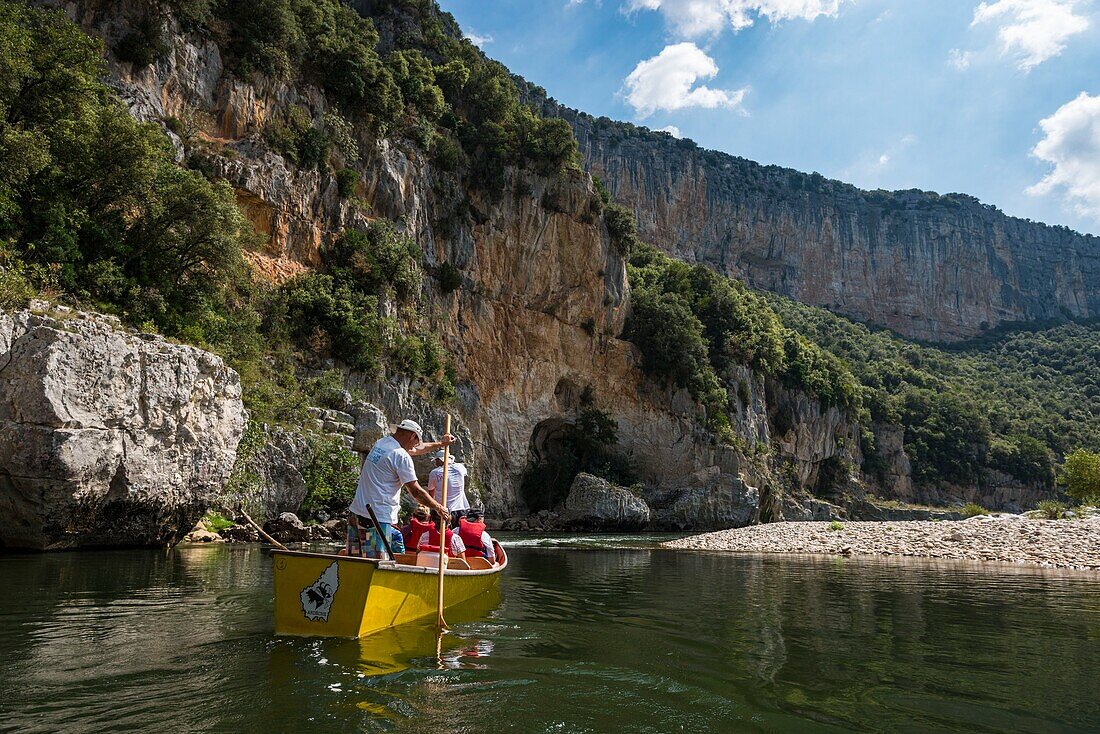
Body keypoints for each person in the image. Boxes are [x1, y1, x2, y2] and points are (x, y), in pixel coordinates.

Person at [347, 419, 453, 558]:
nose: (415, 447)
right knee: (374, 564)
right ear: (412, 436)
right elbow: (415, 491)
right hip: (376, 520)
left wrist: (441, 444)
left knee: (353, 561)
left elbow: (416, 450)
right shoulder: (401, 456)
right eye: (416, 441)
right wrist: (438, 507)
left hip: (356, 513)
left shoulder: (382, 443)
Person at [427, 449, 470, 526]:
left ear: (440, 460)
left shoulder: (434, 472)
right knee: (456, 534)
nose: (435, 463)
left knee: (439, 534)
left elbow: (431, 491)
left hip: (441, 510)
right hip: (459, 510)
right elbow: (463, 472)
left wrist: (431, 507)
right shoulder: (460, 468)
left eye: (436, 460)